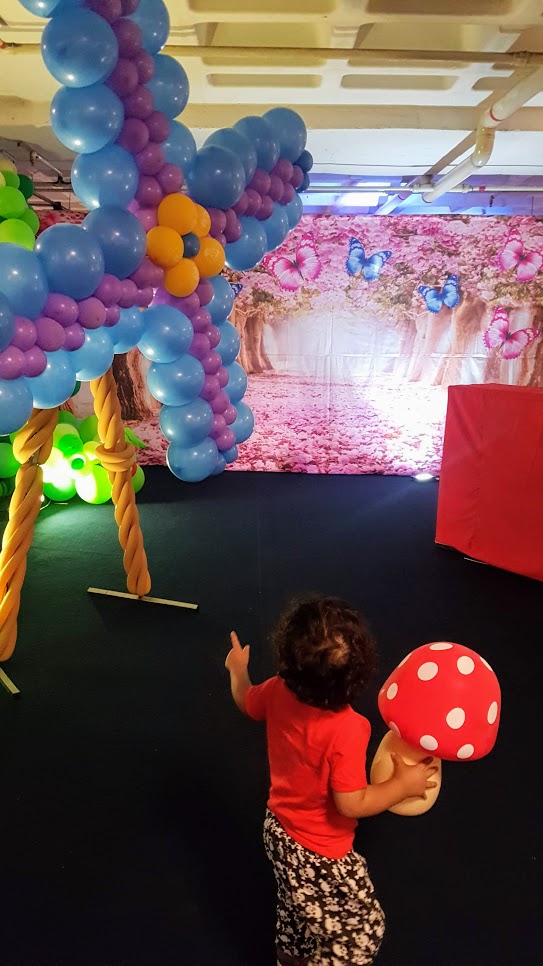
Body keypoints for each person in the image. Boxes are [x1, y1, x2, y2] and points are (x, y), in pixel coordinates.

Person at [225, 595, 437, 966]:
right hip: (319, 853)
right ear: (359, 676)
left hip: (278, 831)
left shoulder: (276, 689)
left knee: (296, 904)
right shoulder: (350, 729)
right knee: (362, 937)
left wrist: (237, 669)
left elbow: (245, 700)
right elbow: (351, 802)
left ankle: (290, 955)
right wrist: (402, 786)